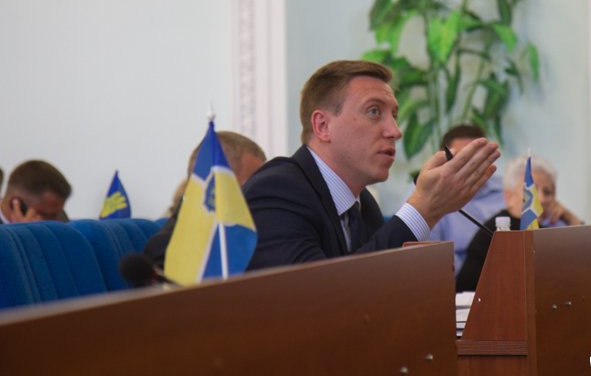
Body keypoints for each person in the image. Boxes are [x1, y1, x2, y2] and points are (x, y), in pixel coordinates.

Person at [245, 60, 500, 270]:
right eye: (374, 112)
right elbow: (318, 298)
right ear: (323, 126)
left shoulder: (364, 205)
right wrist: (423, 209)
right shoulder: (278, 189)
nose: (395, 131)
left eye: (394, 116)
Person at [456, 155, 583, 292]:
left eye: (547, 192)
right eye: (532, 191)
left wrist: (570, 218)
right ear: (509, 197)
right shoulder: (497, 231)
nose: (541, 199)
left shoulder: (553, 226)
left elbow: (588, 261)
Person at [144, 131, 267, 268]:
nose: (261, 195)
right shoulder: (168, 249)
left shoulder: (250, 231)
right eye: (251, 185)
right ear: (213, 184)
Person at [429, 125, 506, 275]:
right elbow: (431, 261)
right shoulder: (430, 198)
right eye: (463, 158)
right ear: (444, 160)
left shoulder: (510, 189)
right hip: (464, 282)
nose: (472, 164)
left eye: (478, 157)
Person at [0, 160, 72, 224]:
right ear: (15, 205)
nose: (57, 223)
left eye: (57, 214)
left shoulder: (62, 219)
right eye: (47, 216)